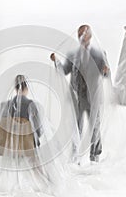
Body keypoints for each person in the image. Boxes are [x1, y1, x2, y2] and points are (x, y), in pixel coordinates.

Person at [50, 25, 110, 163]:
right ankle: (74, 158)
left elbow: (105, 75)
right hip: (77, 98)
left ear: (90, 36)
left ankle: (95, 158)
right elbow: (64, 71)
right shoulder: (73, 54)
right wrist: (56, 61)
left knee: (95, 128)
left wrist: (106, 71)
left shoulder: (100, 54)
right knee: (76, 128)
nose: (81, 37)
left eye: (83, 34)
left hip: (93, 98)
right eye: (79, 34)